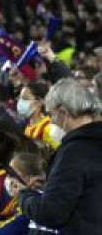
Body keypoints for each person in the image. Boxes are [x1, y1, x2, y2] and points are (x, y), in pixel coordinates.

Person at [19, 78, 102, 233]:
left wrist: (23, 195)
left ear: (63, 113)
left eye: (51, 114)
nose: (50, 121)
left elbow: (51, 214)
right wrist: (53, 183)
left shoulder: (74, 152)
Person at [16, 83, 60, 150]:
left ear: (39, 102)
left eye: (25, 98)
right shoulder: (27, 127)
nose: (20, 102)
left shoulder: (50, 129)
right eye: (20, 98)